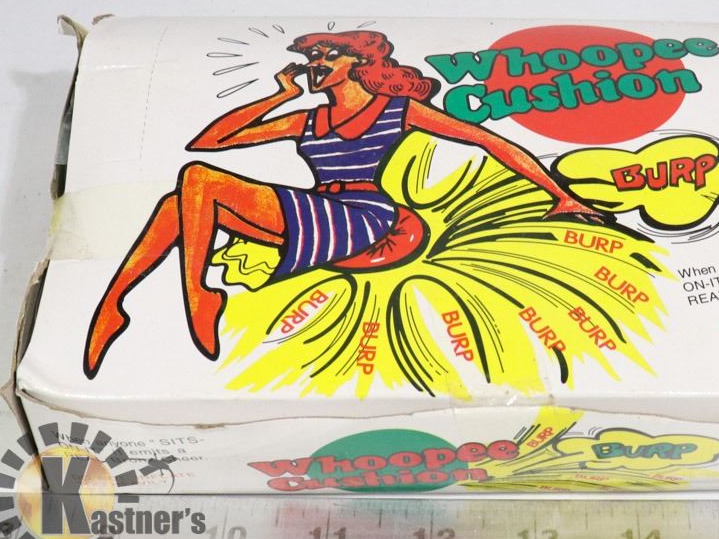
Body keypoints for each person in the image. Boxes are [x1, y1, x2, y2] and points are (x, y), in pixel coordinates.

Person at [84, 30, 598, 378]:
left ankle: (200, 294)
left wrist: (560, 194)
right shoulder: (307, 119)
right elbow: (210, 141)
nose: (316, 65)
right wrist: (280, 96)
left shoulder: (397, 109)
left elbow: (487, 140)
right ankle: (113, 304)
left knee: (198, 181)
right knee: (178, 201)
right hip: (313, 213)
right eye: (314, 58)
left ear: (362, 63)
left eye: (329, 56)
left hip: (365, 218)